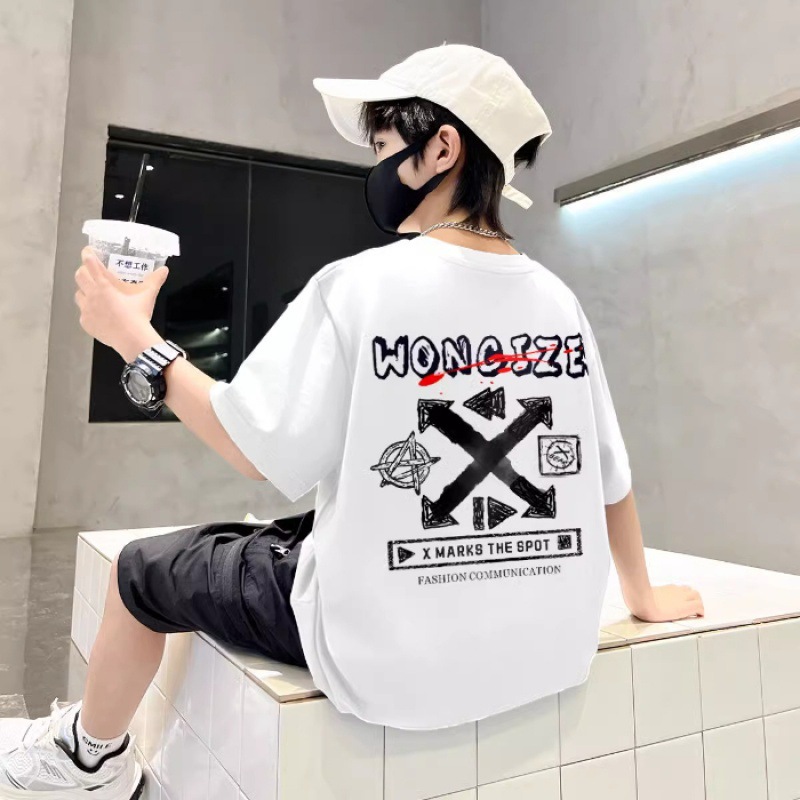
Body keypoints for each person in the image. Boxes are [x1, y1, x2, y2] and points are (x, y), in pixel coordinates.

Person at [0, 43, 704, 797]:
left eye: (383, 147)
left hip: (383, 660)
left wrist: (135, 339)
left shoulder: (359, 286)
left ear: (442, 149)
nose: (376, 168)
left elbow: (248, 444)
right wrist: (643, 599)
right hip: (548, 654)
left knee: (143, 570)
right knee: (317, 520)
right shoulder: (558, 302)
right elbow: (607, 477)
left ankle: (89, 761)